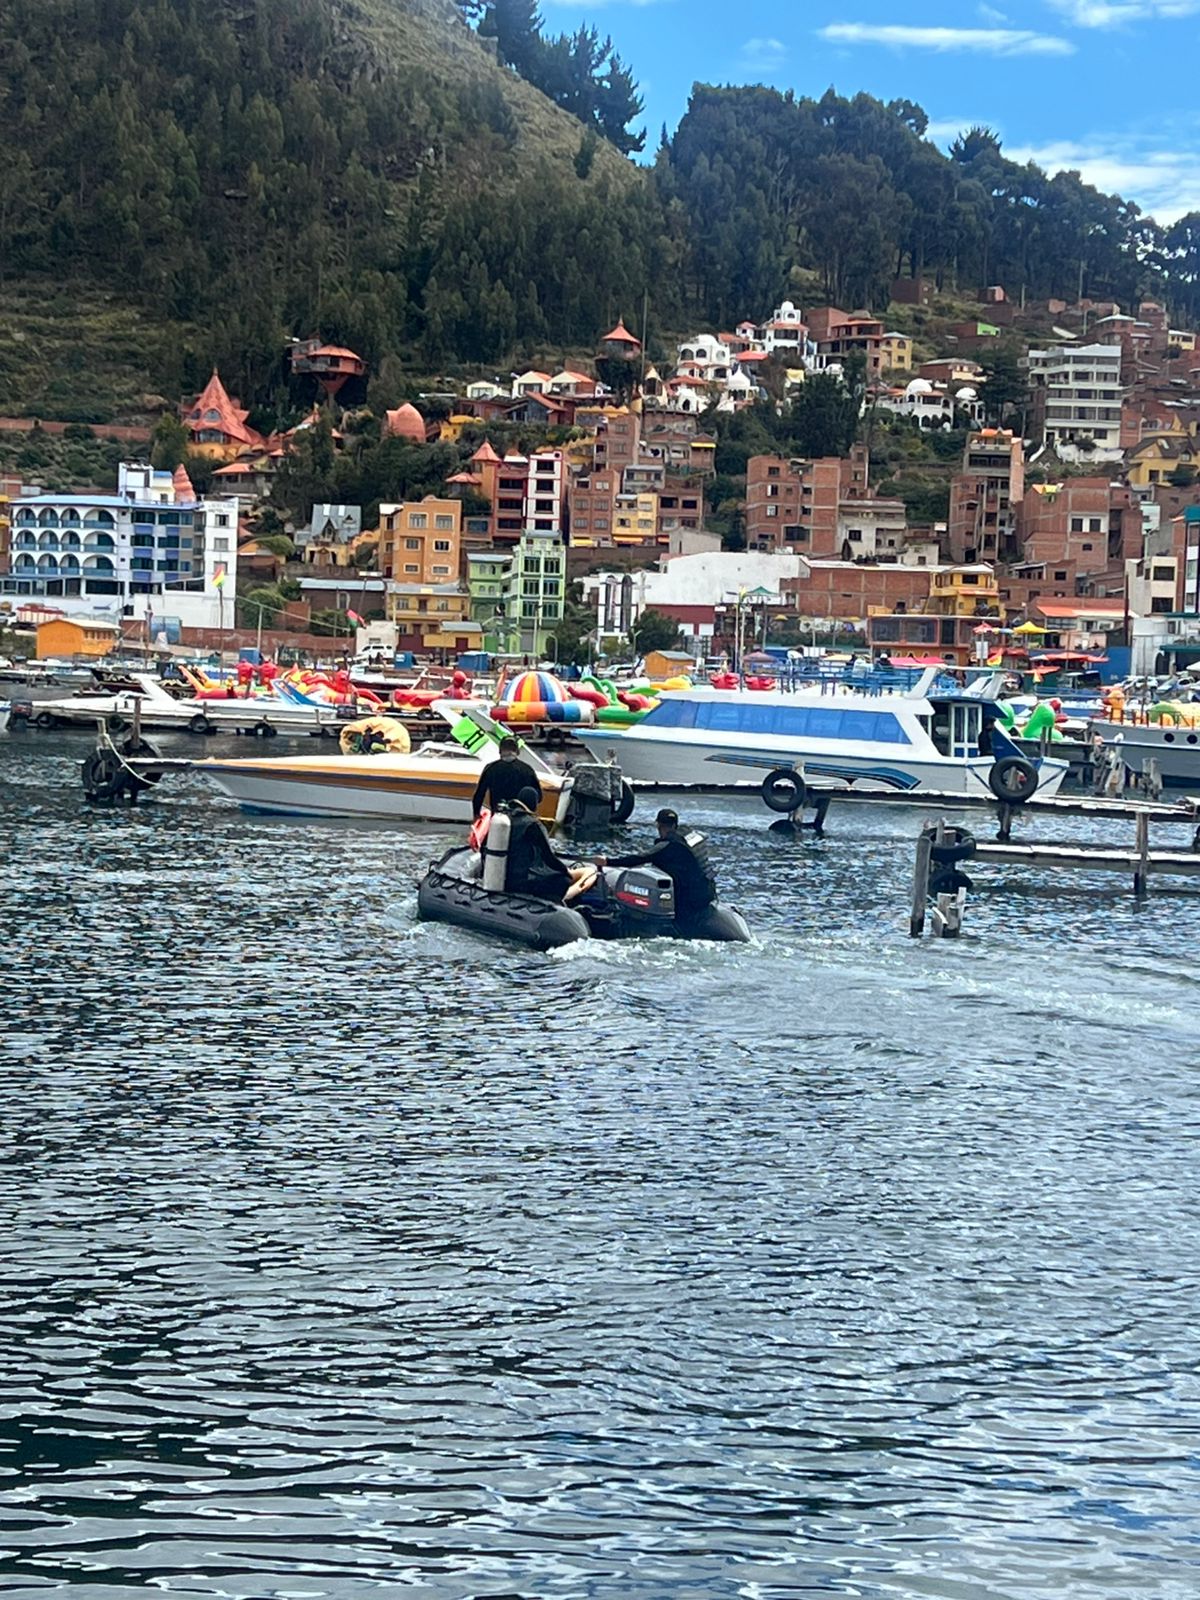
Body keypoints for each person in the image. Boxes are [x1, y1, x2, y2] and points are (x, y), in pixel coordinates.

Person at [596, 809, 716, 928]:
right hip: (704, 894)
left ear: (658, 825)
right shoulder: (684, 843)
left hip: (687, 902)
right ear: (675, 825)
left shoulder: (664, 847)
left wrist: (608, 861)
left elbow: (638, 858)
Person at [505, 788, 596, 901]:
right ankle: (568, 896)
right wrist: (565, 871)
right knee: (564, 880)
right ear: (534, 804)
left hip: (504, 877)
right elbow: (549, 857)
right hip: (523, 881)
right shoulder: (533, 825)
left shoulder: (505, 819)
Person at [472, 735, 542, 818]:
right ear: (517, 751)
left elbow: (479, 795)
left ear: (500, 751)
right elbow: (539, 796)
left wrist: (476, 815)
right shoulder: (527, 769)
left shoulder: (491, 769)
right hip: (521, 817)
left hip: (498, 817)